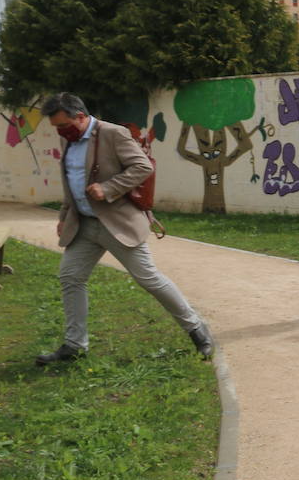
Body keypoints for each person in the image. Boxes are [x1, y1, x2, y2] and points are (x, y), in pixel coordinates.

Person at [36, 93, 214, 365]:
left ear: (81, 117)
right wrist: (63, 216)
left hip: (117, 223)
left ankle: (196, 329)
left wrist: (107, 188)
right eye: (57, 128)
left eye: (64, 126)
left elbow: (142, 167)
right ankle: (74, 345)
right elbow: (70, 180)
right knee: (70, 278)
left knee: (148, 278)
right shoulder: (68, 139)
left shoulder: (113, 134)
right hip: (83, 225)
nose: (61, 132)